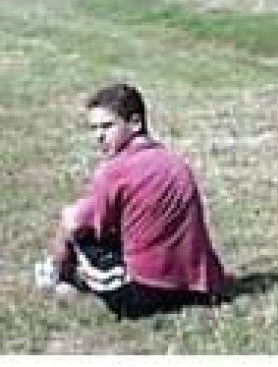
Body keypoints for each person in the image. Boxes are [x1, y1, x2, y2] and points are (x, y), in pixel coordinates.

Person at [36, 83, 229, 319]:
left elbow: (78, 224)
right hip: (199, 288)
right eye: (94, 128)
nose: (99, 136)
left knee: (71, 222)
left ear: (135, 123)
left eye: (107, 126)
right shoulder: (175, 162)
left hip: (143, 294)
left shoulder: (114, 170)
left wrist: (61, 256)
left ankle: (55, 277)